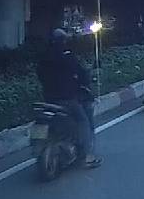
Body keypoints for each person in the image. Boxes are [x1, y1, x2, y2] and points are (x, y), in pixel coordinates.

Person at [37, 28, 101, 168]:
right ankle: (87, 157)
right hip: (67, 98)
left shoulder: (44, 56)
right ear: (64, 41)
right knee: (83, 121)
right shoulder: (66, 55)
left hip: (48, 98)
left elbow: (40, 74)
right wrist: (85, 81)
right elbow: (80, 73)